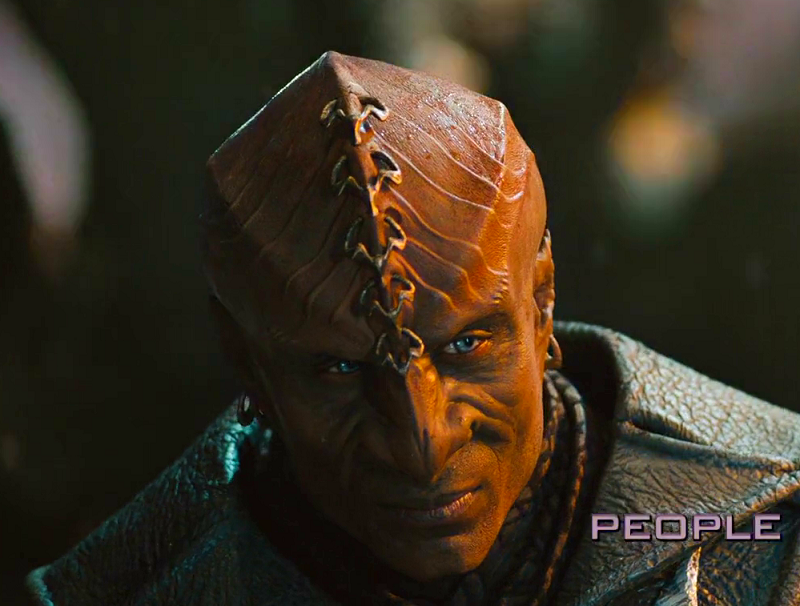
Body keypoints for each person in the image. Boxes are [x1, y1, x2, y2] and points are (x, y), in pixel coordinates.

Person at [26, 51, 800, 606]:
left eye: (466, 346)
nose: (421, 442)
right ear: (249, 367)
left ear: (541, 305)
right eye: (339, 370)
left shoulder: (769, 524)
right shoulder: (136, 585)